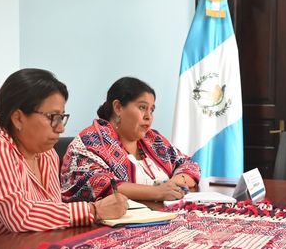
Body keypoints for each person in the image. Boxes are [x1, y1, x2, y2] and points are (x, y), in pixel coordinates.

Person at [0, 68, 127, 249]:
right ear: (18, 118)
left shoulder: (46, 154)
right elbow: (21, 216)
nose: (60, 128)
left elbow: (49, 214)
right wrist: (93, 210)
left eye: (62, 117)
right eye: (53, 117)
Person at [60, 77, 200, 203]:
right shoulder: (89, 141)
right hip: (111, 226)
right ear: (118, 107)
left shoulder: (153, 140)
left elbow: (189, 164)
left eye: (151, 110)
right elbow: (97, 184)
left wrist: (177, 182)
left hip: (163, 217)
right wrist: (159, 192)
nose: (148, 117)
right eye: (142, 107)